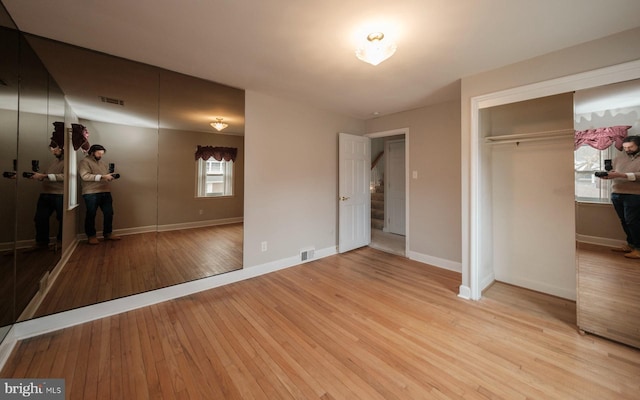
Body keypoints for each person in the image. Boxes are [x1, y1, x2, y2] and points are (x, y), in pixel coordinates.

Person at [598, 135, 640, 259]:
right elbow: (614, 173)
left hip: (634, 195)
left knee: (632, 222)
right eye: (625, 147)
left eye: (630, 147)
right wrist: (608, 175)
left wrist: (622, 175)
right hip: (617, 193)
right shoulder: (618, 158)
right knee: (624, 221)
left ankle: (639, 248)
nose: (627, 150)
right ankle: (631, 245)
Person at [78, 144, 121, 245]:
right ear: (92, 152)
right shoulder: (84, 162)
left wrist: (110, 177)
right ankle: (91, 236)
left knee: (109, 213)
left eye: (102, 153)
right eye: (99, 153)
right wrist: (102, 177)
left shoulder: (103, 163)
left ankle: (108, 234)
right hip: (91, 192)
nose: (101, 155)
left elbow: (105, 177)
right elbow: (85, 176)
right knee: (91, 214)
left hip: (105, 191)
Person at [30, 144, 64, 249]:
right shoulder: (53, 163)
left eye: (55, 149)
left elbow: (65, 176)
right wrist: (38, 176)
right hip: (46, 193)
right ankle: (41, 242)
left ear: (62, 148)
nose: (54, 152)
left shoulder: (68, 163)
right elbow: (46, 174)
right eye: (52, 150)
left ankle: (61, 242)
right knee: (40, 218)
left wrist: (45, 176)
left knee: (62, 219)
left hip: (59, 194)